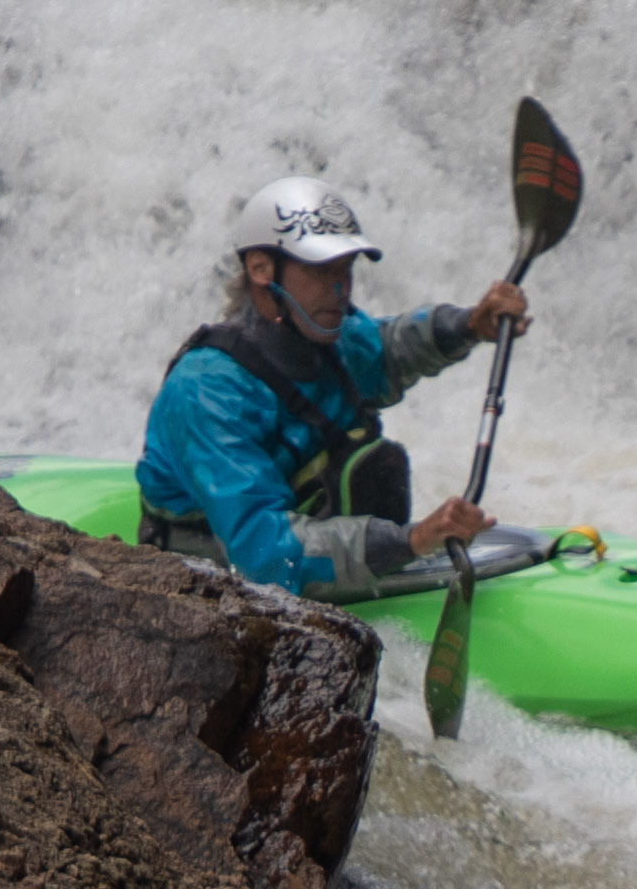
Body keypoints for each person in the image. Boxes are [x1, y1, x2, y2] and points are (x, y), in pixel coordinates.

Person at [138, 172, 533, 596]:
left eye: (345, 269)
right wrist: (411, 542)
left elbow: (388, 349)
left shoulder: (325, 337)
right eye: (320, 270)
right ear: (260, 268)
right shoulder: (207, 391)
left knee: (372, 466)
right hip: (205, 587)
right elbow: (264, 551)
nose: (340, 288)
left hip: (294, 562)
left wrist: (469, 325)